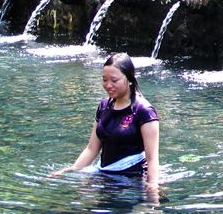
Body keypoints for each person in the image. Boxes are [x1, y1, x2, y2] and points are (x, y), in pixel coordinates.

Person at [51, 53, 160, 190]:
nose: (108, 85)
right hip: (105, 173)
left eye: (114, 80)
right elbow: (91, 148)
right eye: (104, 80)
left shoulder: (144, 111)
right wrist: (71, 170)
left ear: (130, 79)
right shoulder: (103, 106)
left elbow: (152, 159)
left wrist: (153, 192)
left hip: (132, 178)